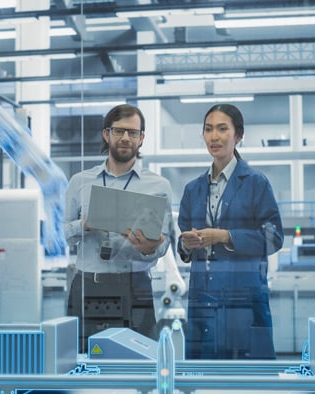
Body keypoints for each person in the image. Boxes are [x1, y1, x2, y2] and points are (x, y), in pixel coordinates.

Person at [63, 104, 174, 353]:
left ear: (142, 138)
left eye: (133, 133)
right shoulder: (80, 182)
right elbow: (62, 236)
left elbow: (165, 243)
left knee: (142, 362)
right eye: (119, 131)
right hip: (89, 285)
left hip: (136, 287)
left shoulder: (159, 186)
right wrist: (83, 225)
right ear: (107, 134)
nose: (125, 138)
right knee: (81, 360)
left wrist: (152, 247)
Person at [177, 104, 284, 360]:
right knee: (202, 383)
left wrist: (226, 236)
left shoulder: (256, 183)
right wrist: (186, 244)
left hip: (243, 298)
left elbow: (274, 237)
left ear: (238, 136)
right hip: (203, 300)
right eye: (208, 129)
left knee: (247, 384)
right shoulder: (193, 190)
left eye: (223, 129)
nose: (214, 137)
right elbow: (181, 242)